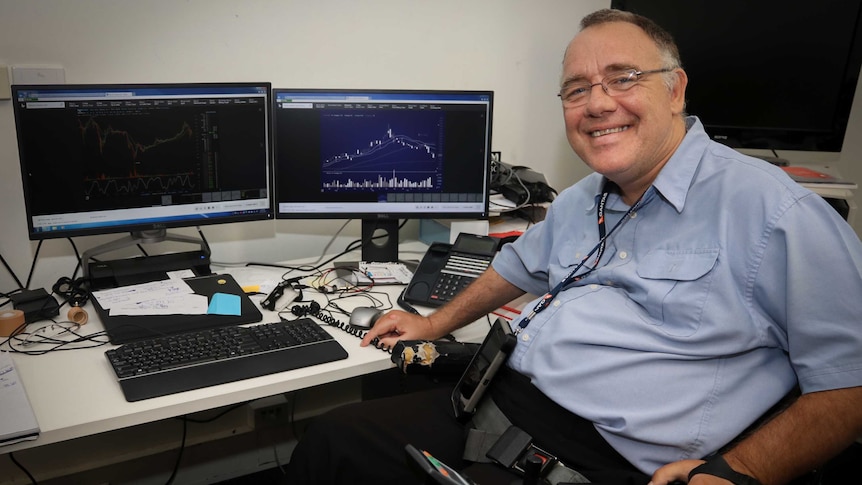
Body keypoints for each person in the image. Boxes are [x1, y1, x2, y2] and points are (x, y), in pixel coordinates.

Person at [286, 8, 862, 485]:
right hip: (500, 402)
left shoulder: (776, 212)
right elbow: (515, 265)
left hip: (601, 457)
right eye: (577, 89)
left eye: (623, 77)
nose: (597, 103)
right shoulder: (585, 197)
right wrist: (435, 324)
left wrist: (734, 473)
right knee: (332, 440)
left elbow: (850, 384)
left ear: (676, 89)